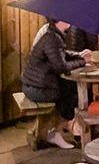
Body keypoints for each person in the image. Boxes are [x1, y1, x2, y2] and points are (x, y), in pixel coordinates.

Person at [22, 17, 80, 148]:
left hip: (33, 85)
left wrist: (79, 55)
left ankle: (59, 130)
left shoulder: (51, 33)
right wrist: (82, 62)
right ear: (60, 20)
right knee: (71, 94)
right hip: (37, 89)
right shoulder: (52, 38)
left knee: (70, 88)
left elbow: (61, 54)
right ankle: (55, 133)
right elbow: (61, 67)